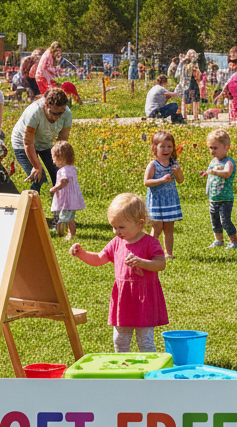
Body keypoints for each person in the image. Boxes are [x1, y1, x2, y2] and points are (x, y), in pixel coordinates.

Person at [69, 193, 167, 353]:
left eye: (121, 227)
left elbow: (161, 264)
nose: (116, 231)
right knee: (120, 339)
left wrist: (142, 262)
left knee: (145, 341)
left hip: (145, 299)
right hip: (123, 299)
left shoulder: (150, 243)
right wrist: (82, 254)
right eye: (113, 226)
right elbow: (99, 258)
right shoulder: (116, 243)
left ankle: (150, 373)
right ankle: (123, 368)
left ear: (140, 223)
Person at [10, 88, 72, 201]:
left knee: (58, 173)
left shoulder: (67, 113)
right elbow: (28, 142)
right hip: (22, 143)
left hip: (45, 143)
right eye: (53, 113)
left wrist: (62, 165)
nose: (57, 116)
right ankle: (31, 210)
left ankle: (59, 212)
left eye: (60, 113)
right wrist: (36, 166)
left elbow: (62, 141)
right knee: (38, 177)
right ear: (46, 105)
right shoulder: (34, 112)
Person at [144, 129, 183, 258]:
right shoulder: (153, 165)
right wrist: (161, 180)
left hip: (170, 201)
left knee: (169, 228)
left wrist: (177, 172)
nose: (166, 150)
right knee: (157, 227)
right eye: (163, 147)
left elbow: (180, 180)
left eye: (169, 146)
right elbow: (147, 182)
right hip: (156, 201)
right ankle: (147, 251)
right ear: (155, 148)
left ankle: (169, 254)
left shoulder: (174, 163)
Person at [201, 128, 237, 248]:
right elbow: (210, 177)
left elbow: (227, 173)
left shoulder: (228, 162)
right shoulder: (213, 162)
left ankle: (234, 241)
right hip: (214, 198)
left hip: (225, 199)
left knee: (225, 221)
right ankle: (219, 240)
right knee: (215, 221)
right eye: (210, 148)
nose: (212, 151)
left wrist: (214, 172)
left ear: (226, 147)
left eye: (215, 148)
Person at [49, 140, 85, 239]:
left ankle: (61, 233)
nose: (53, 161)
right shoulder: (71, 168)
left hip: (67, 200)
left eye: (54, 158)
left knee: (63, 218)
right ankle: (71, 234)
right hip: (71, 199)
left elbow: (64, 182)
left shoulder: (64, 170)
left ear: (62, 157)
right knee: (70, 219)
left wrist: (55, 188)